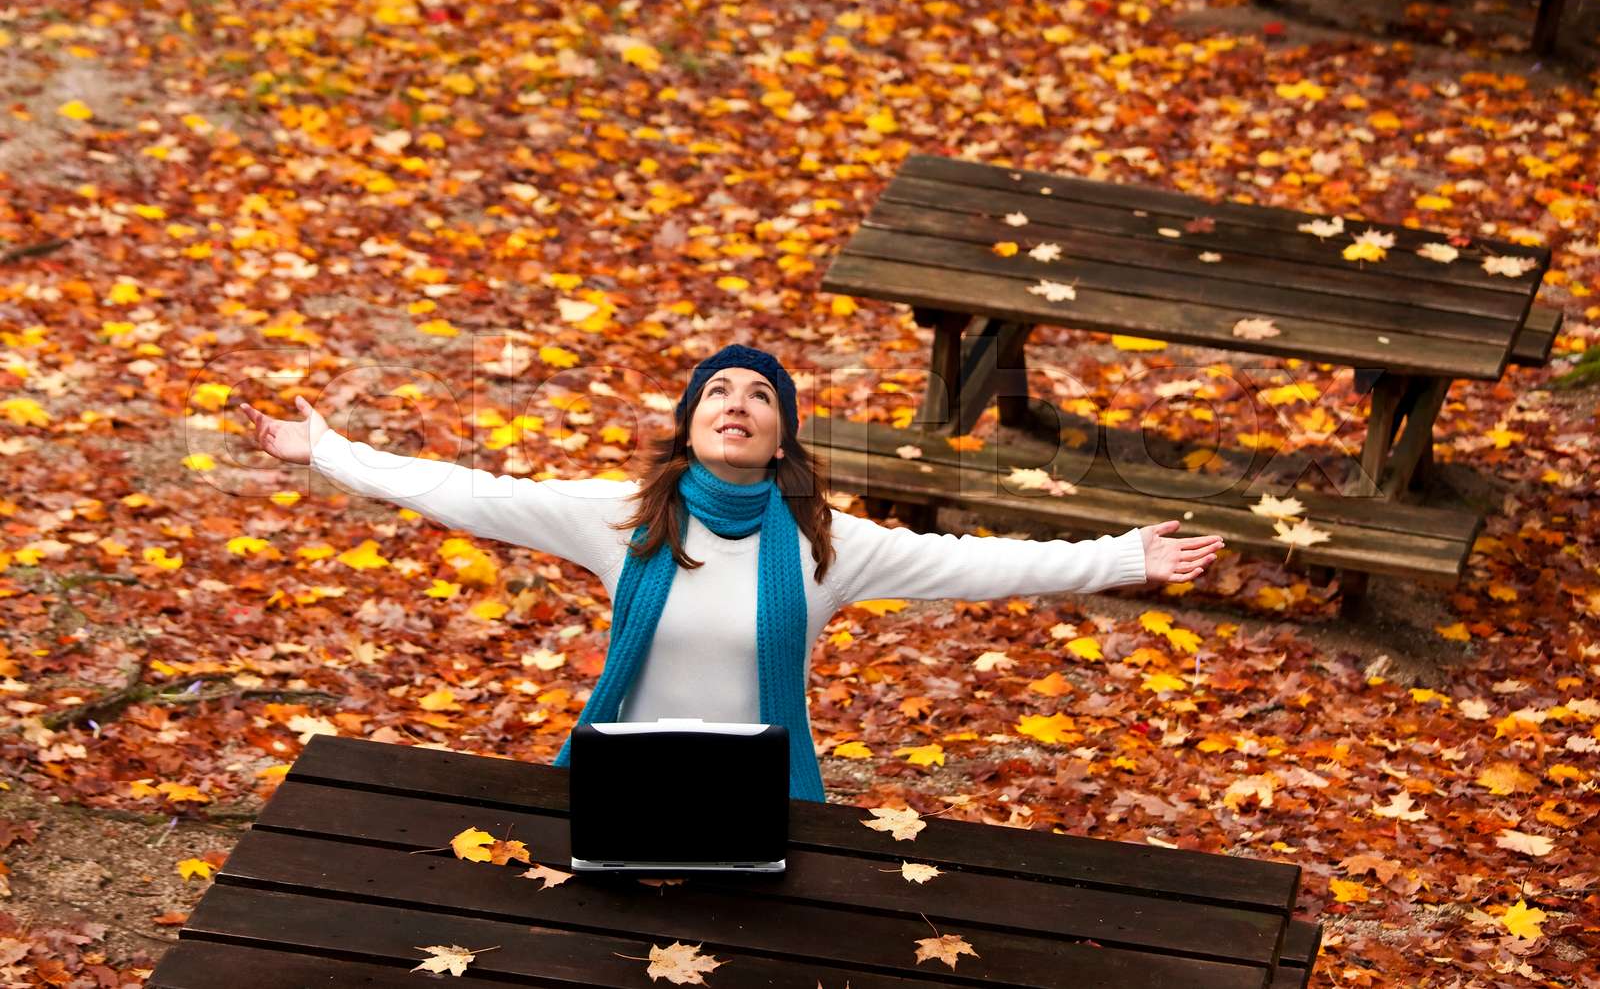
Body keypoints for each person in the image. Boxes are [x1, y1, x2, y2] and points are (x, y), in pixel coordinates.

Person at [239, 343, 1223, 802]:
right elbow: (470, 492)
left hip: (767, 801)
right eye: (719, 390)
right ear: (692, 423)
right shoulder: (621, 517)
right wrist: (329, 452)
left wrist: (1122, 557)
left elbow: (976, 564)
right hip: (618, 789)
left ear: (783, 432)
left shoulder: (825, 544)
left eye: (761, 394)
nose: (739, 402)